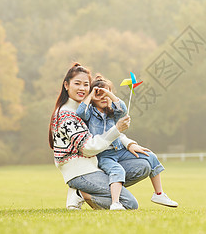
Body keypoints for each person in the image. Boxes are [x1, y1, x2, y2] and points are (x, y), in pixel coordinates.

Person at [49, 63, 152, 210]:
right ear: (66, 85)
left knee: (143, 166)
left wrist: (128, 143)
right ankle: (81, 192)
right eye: (77, 83)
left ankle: (91, 191)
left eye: (86, 85)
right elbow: (88, 148)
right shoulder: (66, 114)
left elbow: (104, 131)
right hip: (80, 171)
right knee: (130, 204)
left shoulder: (86, 109)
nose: (82, 88)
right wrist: (116, 129)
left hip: (96, 164)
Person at [76, 74, 178, 210]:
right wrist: (90, 95)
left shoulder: (112, 113)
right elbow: (80, 112)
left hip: (119, 150)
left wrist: (108, 93)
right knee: (117, 171)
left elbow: (122, 108)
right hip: (104, 154)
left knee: (151, 156)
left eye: (107, 93)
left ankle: (158, 193)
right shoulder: (90, 114)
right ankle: (115, 202)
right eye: (99, 94)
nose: (103, 97)